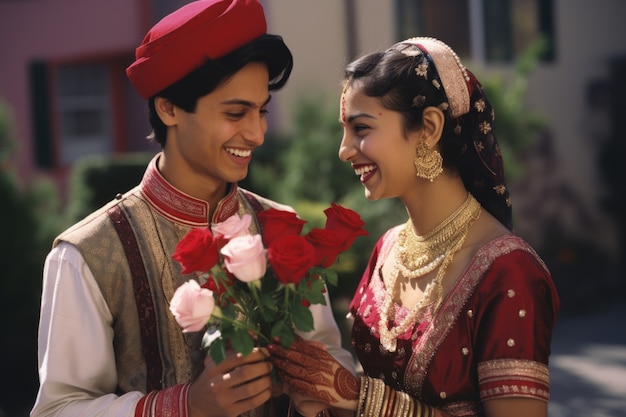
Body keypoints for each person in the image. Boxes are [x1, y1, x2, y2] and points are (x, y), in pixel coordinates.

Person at [30, 1, 354, 416]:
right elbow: (58, 408)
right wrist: (185, 405)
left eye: (262, 111)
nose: (256, 133)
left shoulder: (282, 230)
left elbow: (329, 363)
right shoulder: (87, 255)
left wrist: (321, 389)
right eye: (236, 112)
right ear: (168, 108)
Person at [269, 37, 560, 417]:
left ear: (428, 127)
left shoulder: (508, 272)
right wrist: (319, 398)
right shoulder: (388, 249)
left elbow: (361, 395)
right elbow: (351, 398)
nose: (344, 150)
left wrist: (363, 398)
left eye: (360, 128)